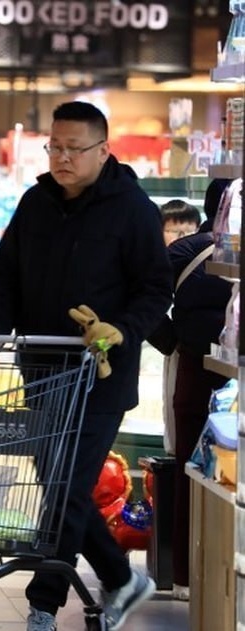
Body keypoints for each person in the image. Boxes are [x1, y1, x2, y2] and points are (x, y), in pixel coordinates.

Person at [0, 101, 171, 631]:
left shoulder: (133, 209)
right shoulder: (35, 202)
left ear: (103, 150)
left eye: (73, 149)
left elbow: (156, 289)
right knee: (61, 486)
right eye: (54, 147)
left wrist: (121, 328)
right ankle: (120, 577)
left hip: (102, 375)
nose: (61, 158)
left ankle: (43, 604)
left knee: (65, 489)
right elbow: (7, 275)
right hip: (41, 369)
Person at [148, 178, 233, 602]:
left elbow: (144, 301)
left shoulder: (183, 251)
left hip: (200, 372)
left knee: (194, 470)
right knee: (203, 472)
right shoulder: (190, 252)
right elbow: (145, 300)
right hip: (207, 374)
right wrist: (174, 342)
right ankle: (198, 572)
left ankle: (189, 573)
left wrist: (176, 340)